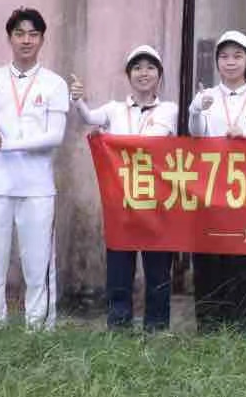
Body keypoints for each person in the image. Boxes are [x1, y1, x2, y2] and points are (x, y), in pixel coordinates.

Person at [0, 7, 69, 331]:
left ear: (42, 39)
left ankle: (39, 331)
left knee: (39, 267)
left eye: (33, 34)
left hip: (37, 189)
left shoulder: (54, 84)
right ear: (9, 38)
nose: (26, 40)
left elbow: (55, 137)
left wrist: (9, 145)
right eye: (20, 34)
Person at [70, 44, 178, 331]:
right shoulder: (114, 110)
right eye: (137, 68)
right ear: (128, 74)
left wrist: (198, 109)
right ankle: (119, 325)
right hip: (122, 202)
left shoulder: (169, 110)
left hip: (157, 202)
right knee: (120, 267)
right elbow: (89, 118)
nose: (144, 73)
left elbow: (167, 141)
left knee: (158, 270)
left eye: (150, 68)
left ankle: (157, 327)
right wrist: (78, 100)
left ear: (159, 74)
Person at [187, 29, 246, 332]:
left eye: (237, 56)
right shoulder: (207, 97)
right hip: (209, 193)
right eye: (224, 56)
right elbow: (196, 135)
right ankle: (207, 331)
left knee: (241, 265)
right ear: (217, 61)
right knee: (207, 263)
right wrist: (195, 110)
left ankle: (239, 332)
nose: (230, 62)